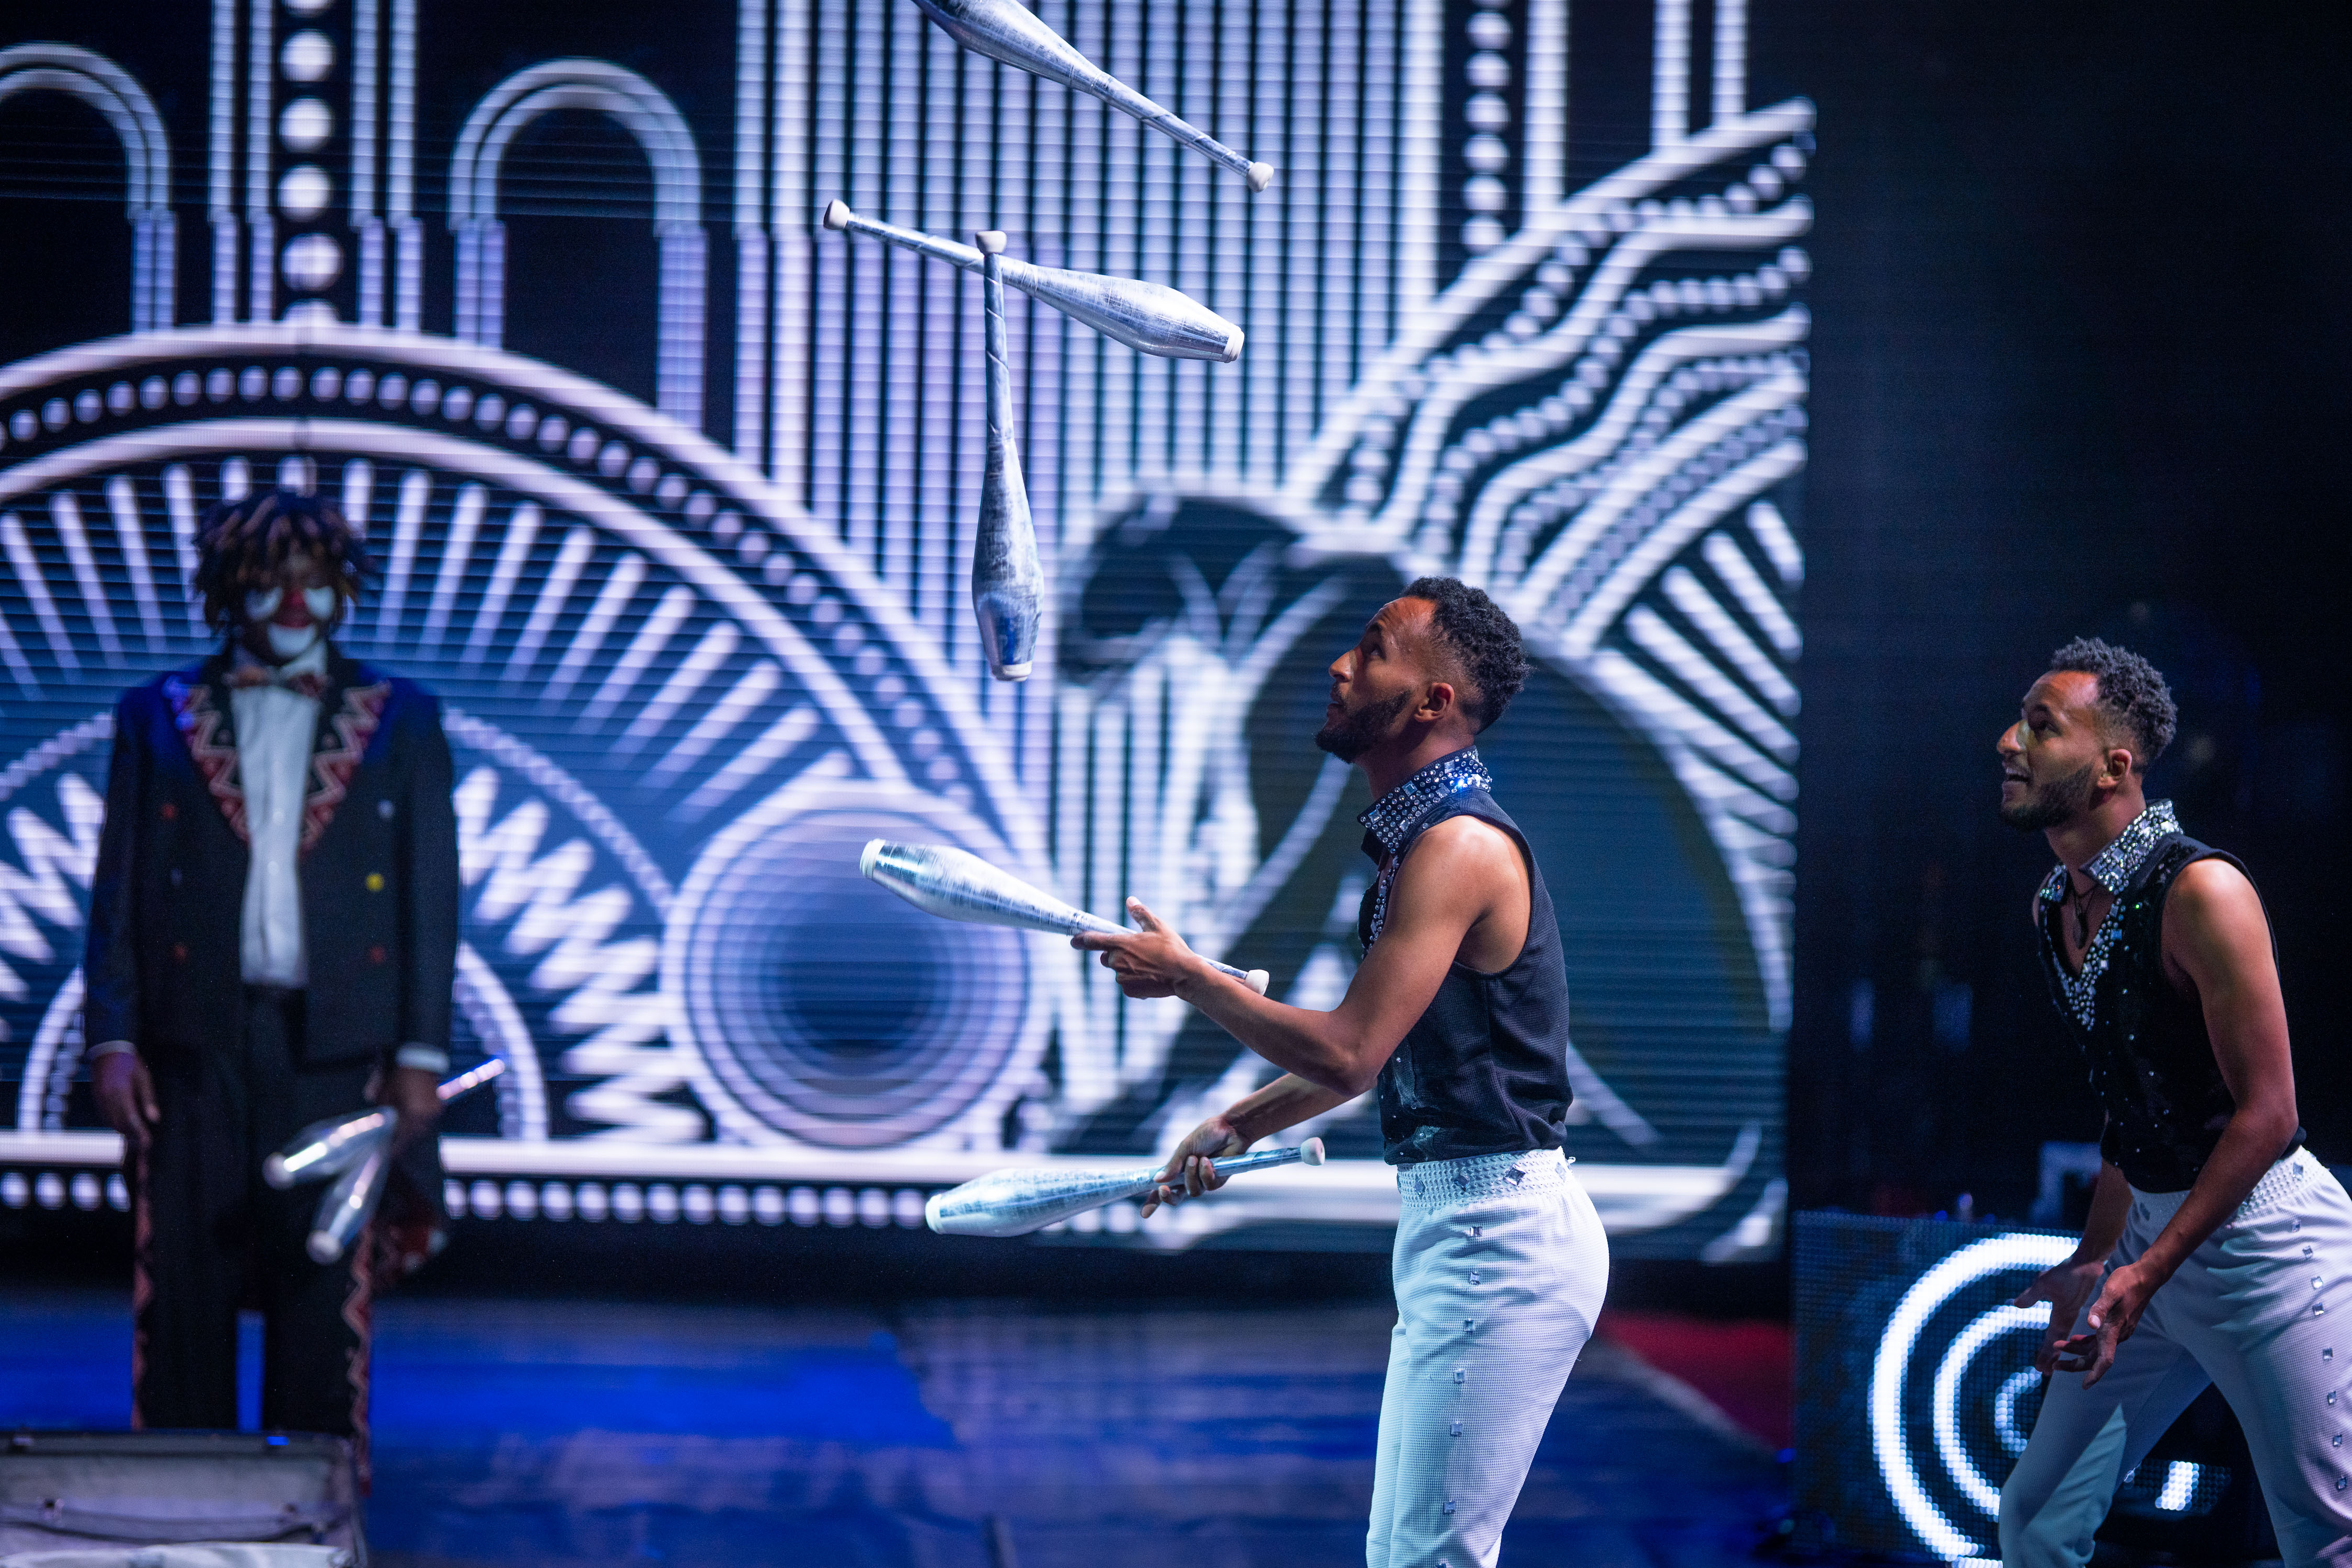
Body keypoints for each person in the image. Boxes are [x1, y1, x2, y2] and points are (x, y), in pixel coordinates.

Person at [1076, 577, 1608, 1568]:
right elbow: (1379, 1055)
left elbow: (1349, 1050)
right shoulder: (1427, 841)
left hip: (1502, 1243)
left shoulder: (1458, 846)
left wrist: (1190, 977)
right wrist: (1241, 1122)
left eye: (1373, 651)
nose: (1340, 666)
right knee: (1404, 1554)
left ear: (1432, 702)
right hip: (1465, 1232)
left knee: (1429, 1558)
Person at [83, 489, 460, 1482]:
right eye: (272, 580)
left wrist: (421, 1053)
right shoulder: (156, 714)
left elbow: (431, 897)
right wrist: (111, 1039)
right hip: (190, 1040)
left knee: (321, 1280)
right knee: (184, 1280)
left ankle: (311, 1503)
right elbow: (118, 891)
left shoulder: (402, 719)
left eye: (314, 580)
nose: (295, 602)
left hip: (339, 1043)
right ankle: (181, 1501)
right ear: (229, 588)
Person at [1997, 638, 2352, 1566]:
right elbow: (2133, 1106)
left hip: (2269, 1251)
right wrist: (2098, 1255)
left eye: (2041, 726)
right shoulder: (2055, 907)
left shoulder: (2203, 891)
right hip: (2153, 1247)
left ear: (2115, 767)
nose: (2009, 743)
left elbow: (2270, 1114)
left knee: (2329, 1541)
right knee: (2037, 1518)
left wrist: (2144, 1272)